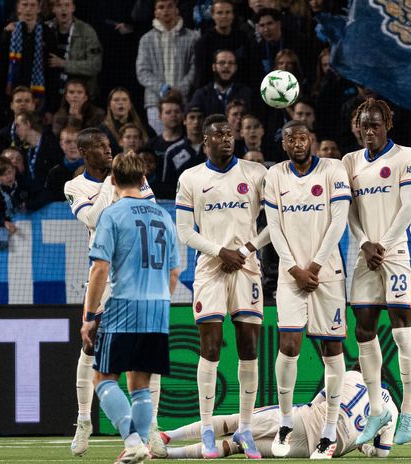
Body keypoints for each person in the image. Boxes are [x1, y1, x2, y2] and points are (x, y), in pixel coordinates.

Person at [175, 113, 270, 459]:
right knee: (210, 347)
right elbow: (185, 232)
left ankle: (245, 428)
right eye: (219, 134)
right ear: (205, 141)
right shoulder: (191, 178)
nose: (227, 139)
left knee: (249, 346)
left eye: (230, 134)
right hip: (210, 269)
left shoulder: (256, 173)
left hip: (247, 268)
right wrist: (221, 251)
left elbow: (273, 223)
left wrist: (244, 250)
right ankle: (205, 429)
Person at [64, 128, 162, 458]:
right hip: (104, 270)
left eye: (110, 146)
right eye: (101, 147)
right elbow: (92, 217)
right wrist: (114, 184)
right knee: (89, 348)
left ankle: (150, 429)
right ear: (83, 152)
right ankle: (83, 422)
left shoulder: (133, 178)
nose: (109, 151)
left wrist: (119, 183)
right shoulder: (75, 186)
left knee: (145, 355)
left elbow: (143, 213)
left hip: (135, 272)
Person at [79, 151, 179, 464]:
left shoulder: (112, 214)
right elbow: (175, 271)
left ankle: (133, 441)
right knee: (141, 386)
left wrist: (89, 316)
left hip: (124, 306)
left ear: (112, 180)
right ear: (142, 179)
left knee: (103, 379)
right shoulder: (163, 215)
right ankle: (141, 445)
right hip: (159, 308)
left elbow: (99, 269)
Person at [262, 120, 351, 458]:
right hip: (290, 274)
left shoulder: (333, 169)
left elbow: (338, 221)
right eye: (290, 138)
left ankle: (328, 431)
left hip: (328, 273)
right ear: (283, 144)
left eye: (302, 137)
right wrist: (294, 269)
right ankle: (285, 423)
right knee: (289, 344)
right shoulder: (275, 176)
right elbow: (274, 227)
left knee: (331, 350)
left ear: (311, 140)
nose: (297, 143)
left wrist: (314, 266)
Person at [342, 97, 411, 446]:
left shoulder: (405, 156)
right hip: (364, 253)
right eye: (364, 125)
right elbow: (349, 211)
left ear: (387, 125)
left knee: (401, 329)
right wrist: (363, 243)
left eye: (375, 124)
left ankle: (409, 406)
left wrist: (383, 245)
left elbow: (410, 208)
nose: (369, 130)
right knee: (363, 330)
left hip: (398, 252)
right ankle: (377, 409)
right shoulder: (350, 162)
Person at [160, 369, 399, 459]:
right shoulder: (393, 411)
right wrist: (362, 446)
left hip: (305, 421)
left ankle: (168, 436)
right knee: (238, 447)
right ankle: (169, 455)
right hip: (318, 450)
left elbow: (317, 402)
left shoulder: (352, 375)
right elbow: (381, 454)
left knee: (237, 422)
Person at [136, 0, 198, 134]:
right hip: (155, 102)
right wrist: (162, 89)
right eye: (161, 7)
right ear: (155, 13)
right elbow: (142, 72)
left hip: (185, 101)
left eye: (170, 6)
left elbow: (195, 68)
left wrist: (180, 90)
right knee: (160, 143)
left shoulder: (192, 37)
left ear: (177, 9)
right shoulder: (146, 39)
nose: (166, 10)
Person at [45, 0, 102, 100]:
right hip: (50, 94)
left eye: (67, 5)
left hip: (81, 96)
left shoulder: (87, 31)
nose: (63, 9)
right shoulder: (44, 29)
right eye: (59, 5)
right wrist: (14, 25)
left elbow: (95, 65)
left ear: (73, 8)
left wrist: (64, 64)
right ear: (53, 9)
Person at [188, 49, 253, 117]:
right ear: (214, 67)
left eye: (230, 63)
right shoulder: (201, 95)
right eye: (222, 63)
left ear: (235, 68)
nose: (226, 66)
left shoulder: (246, 94)